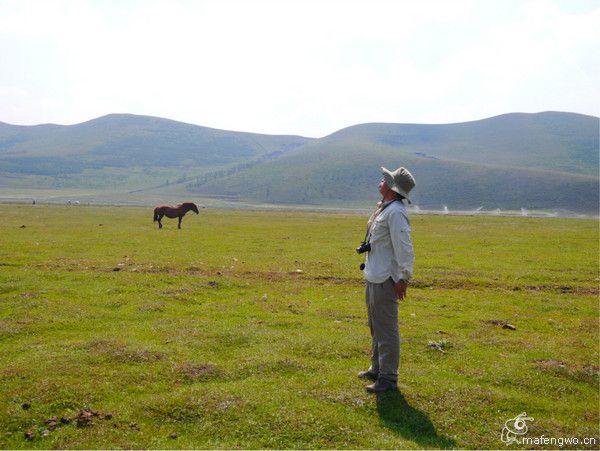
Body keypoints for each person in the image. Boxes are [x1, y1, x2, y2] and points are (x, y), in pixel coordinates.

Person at [358, 166, 415, 393]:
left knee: (386, 328)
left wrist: (403, 277)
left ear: (392, 188)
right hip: (374, 275)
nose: (380, 181)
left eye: (385, 179)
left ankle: (388, 378)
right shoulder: (386, 209)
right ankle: (377, 368)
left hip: (385, 279)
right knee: (376, 325)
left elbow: (404, 248)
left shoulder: (395, 213)